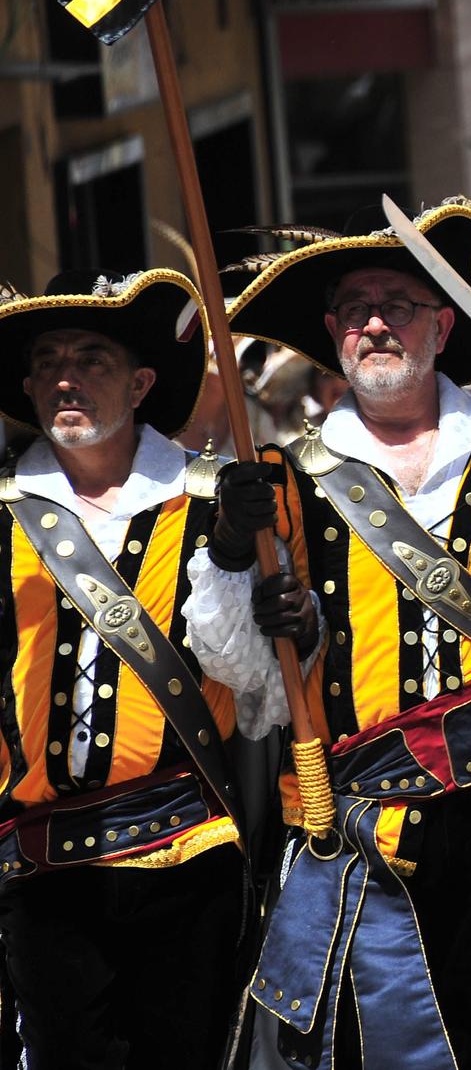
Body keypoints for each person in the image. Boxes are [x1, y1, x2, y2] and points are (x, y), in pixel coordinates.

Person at [186, 199, 471, 1069]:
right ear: (333, 334)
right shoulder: (279, 481)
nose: (374, 323)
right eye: (353, 309)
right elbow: (235, 670)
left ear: (444, 325)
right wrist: (233, 554)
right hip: (358, 819)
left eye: (398, 304)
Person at [0, 269, 250, 1068]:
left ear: (142, 382)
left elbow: (253, 668)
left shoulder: (210, 498)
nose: (65, 376)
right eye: (49, 359)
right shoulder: (1, 510)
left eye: (92, 359)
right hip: (45, 866)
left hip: (188, 849)